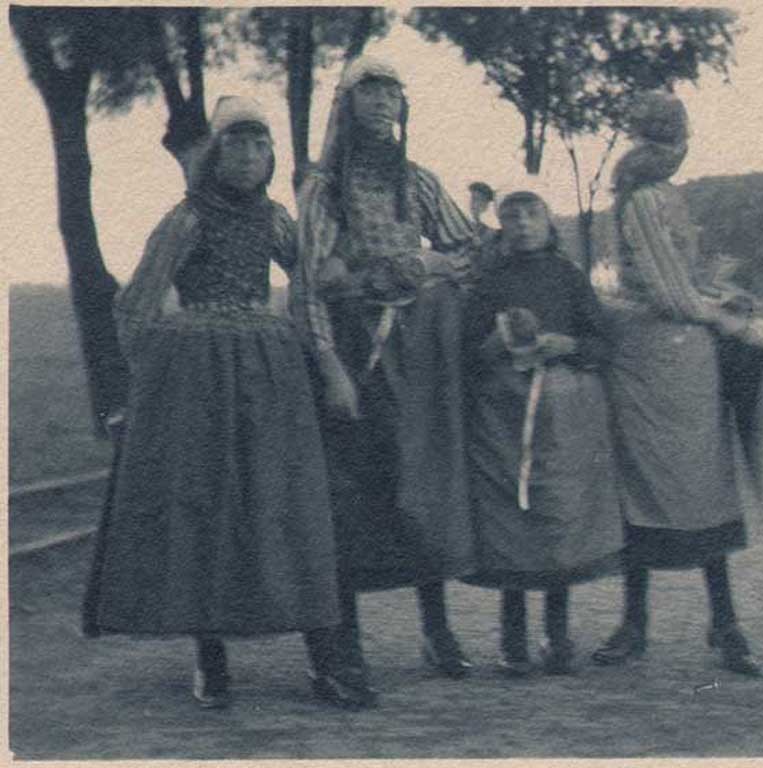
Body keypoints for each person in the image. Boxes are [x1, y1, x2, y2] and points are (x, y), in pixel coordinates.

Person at [82, 96, 364, 709]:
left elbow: (313, 280)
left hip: (269, 377)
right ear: (215, 155)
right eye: (236, 144)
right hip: (199, 380)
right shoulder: (186, 218)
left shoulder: (277, 219)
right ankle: (211, 657)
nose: (249, 157)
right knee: (208, 505)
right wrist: (150, 386)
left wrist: (335, 318)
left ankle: (327, 658)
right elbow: (135, 302)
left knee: (282, 500)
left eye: (260, 146)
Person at [293, 56, 479, 697]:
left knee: (418, 487)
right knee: (347, 501)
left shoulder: (418, 183)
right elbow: (311, 284)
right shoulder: (324, 188)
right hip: (349, 355)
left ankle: (437, 629)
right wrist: (331, 369)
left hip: (411, 355)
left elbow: (466, 247)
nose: (381, 102)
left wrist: (419, 265)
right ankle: (342, 652)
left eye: (391, 91)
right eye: (367, 91)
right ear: (345, 106)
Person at [592, 91, 763, 677]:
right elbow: (667, 291)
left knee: (706, 484)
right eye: (671, 137)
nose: (678, 147)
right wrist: (720, 315)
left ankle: (723, 618)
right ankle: (636, 622)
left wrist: (718, 294)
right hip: (648, 359)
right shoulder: (641, 199)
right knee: (644, 487)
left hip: (688, 362)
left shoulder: (664, 196)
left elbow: (682, 281)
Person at [460, 191, 624, 677]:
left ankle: (556, 632)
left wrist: (565, 344)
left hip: (561, 414)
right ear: (502, 228)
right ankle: (512, 640)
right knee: (511, 518)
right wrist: (497, 343)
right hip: (503, 414)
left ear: (549, 224)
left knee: (556, 517)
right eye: (511, 216)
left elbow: (601, 343)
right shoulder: (489, 281)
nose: (523, 223)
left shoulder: (569, 278)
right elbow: (466, 352)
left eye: (532, 214)